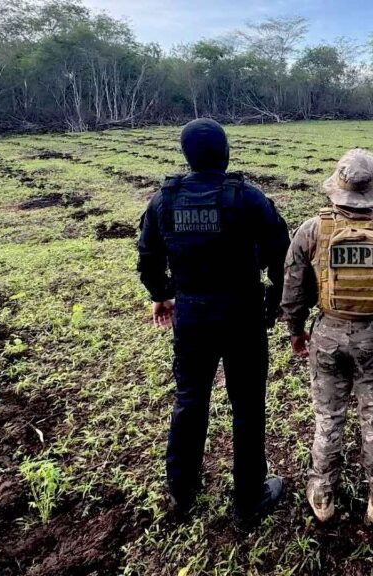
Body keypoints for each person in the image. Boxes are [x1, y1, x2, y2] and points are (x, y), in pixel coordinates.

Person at [137, 118, 290, 521]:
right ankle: (249, 498)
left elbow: (148, 258)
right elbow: (282, 255)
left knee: (190, 400)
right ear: (225, 154)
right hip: (242, 315)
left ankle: (182, 490)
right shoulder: (248, 198)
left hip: (192, 314)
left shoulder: (164, 200)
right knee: (247, 404)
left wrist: (162, 295)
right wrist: (274, 301)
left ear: (186, 157)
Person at [282, 149, 373, 525]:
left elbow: (293, 287)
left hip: (327, 334)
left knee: (328, 418)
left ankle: (322, 491)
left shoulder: (312, 230)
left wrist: (295, 330)